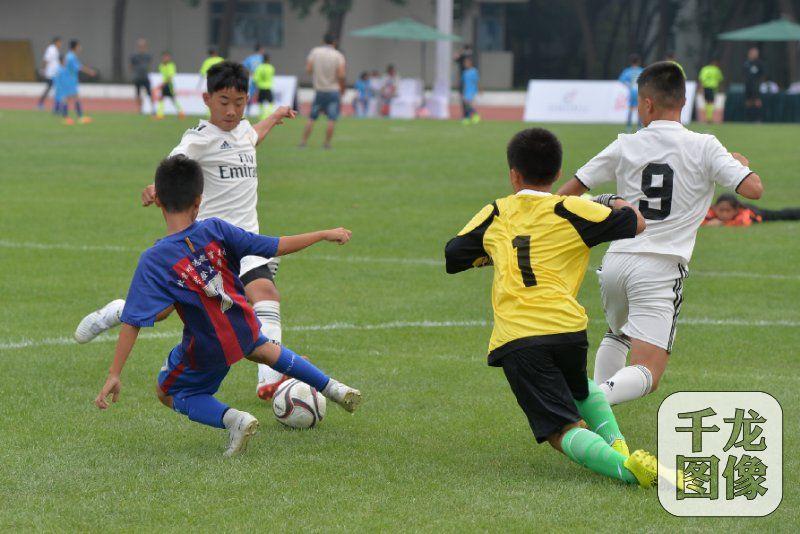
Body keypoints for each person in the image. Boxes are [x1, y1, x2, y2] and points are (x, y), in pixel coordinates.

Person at [443, 128, 672, 489]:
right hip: (568, 330)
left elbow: (454, 256)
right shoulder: (572, 209)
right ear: (557, 172)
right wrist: (611, 200)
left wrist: (496, 254)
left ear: (514, 174)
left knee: (560, 430)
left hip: (519, 337)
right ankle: (619, 446)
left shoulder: (496, 212)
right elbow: (637, 222)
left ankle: (628, 471)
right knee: (580, 390)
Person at [93, 154, 362, 457]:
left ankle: (235, 420)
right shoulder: (216, 229)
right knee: (262, 348)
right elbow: (274, 245)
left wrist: (114, 373)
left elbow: (133, 320)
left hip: (208, 344)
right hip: (242, 322)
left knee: (168, 391)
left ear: (159, 201)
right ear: (198, 201)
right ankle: (332, 387)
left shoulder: (154, 259)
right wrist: (323, 234)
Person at [76, 62, 299, 402]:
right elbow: (175, 163)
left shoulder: (243, 131)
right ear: (207, 100)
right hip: (208, 247)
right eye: (224, 102)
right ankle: (119, 311)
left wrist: (275, 116)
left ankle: (268, 379)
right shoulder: (199, 138)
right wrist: (155, 187)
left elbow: (253, 137)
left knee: (266, 294)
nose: (231, 110)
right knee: (163, 311)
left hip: (245, 243)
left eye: (239, 102)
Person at [557, 61, 764, 406]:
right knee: (648, 373)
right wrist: (736, 165)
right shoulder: (705, 145)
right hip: (660, 266)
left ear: (648, 103)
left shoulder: (625, 144)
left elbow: (566, 194)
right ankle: (588, 401)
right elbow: (754, 189)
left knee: (618, 332)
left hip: (616, 263)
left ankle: (596, 420)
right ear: (683, 101)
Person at [299, 33, 346, 149]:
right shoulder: (338, 55)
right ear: (334, 42)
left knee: (312, 118)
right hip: (333, 91)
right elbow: (341, 75)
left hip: (319, 91)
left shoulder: (315, 52)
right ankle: (326, 144)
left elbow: (308, 69)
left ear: (323, 41)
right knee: (331, 119)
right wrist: (342, 89)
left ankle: (303, 142)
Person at [703, 193, 800, 226]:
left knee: (778, 215)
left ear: (736, 210)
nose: (724, 214)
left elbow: (744, 222)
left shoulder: (744, 212)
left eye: (728, 211)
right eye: (721, 210)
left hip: (757, 213)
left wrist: (722, 223)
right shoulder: (708, 211)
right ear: (715, 207)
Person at [61, 40, 97, 125]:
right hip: (69, 80)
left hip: (69, 79)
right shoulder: (71, 57)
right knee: (71, 97)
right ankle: (76, 117)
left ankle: (69, 117)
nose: (80, 48)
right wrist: (90, 71)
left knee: (69, 97)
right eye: (79, 46)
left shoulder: (70, 56)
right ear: (75, 47)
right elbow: (79, 67)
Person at [130, 38, 155, 116]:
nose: (141, 47)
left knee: (150, 94)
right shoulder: (134, 56)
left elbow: (149, 65)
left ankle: (153, 109)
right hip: (137, 78)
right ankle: (140, 110)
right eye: (140, 46)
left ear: (145, 46)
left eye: (143, 46)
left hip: (145, 77)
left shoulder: (148, 56)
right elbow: (131, 66)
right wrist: (135, 72)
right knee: (138, 94)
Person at [155, 51, 184, 119]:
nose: (165, 58)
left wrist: (163, 84)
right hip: (164, 84)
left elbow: (170, 77)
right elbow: (164, 76)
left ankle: (181, 113)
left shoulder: (171, 65)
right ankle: (160, 115)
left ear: (169, 58)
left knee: (173, 99)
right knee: (161, 98)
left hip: (169, 85)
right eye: (164, 57)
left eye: (167, 57)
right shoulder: (161, 66)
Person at [618, 54, 643, 132]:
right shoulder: (641, 70)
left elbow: (621, 80)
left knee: (631, 109)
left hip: (632, 92)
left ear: (630, 62)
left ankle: (628, 127)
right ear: (638, 62)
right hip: (639, 92)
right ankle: (639, 127)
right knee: (639, 110)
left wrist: (628, 86)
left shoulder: (627, 71)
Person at [37, 36, 61, 110]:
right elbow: (46, 60)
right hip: (51, 73)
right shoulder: (51, 49)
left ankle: (44, 103)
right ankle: (42, 103)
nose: (60, 44)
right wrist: (43, 70)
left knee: (53, 88)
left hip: (55, 73)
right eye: (59, 42)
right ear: (56, 42)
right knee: (52, 88)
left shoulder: (55, 50)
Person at [243, 44, 267, 115]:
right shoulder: (262, 58)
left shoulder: (250, 58)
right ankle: (261, 111)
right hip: (260, 79)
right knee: (261, 94)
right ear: (261, 50)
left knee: (250, 94)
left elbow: (243, 66)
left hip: (252, 77)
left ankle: (247, 111)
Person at [698, 58, 723, 123]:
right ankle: (709, 118)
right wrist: (720, 89)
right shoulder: (716, 70)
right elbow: (720, 79)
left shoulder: (704, 69)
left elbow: (701, 79)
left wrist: (700, 88)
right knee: (711, 102)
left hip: (705, 87)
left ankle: (707, 118)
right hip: (713, 88)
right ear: (715, 63)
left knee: (707, 102)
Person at [743, 47, 765, 122]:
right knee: (748, 102)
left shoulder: (759, 63)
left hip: (756, 85)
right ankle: (748, 118)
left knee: (757, 101)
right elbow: (744, 73)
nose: (754, 54)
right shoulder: (746, 63)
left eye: (755, 53)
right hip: (748, 85)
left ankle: (758, 118)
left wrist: (759, 82)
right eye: (752, 53)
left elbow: (762, 74)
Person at [252, 54, 275, 120]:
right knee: (270, 102)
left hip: (261, 87)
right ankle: (269, 114)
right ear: (268, 60)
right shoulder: (271, 67)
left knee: (260, 102)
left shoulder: (259, 68)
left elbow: (255, 79)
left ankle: (262, 116)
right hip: (268, 87)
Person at [461, 57, 480, 125]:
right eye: (464, 63)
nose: (465, 64)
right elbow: (463, 83)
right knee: (466, 106)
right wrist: (463, 92)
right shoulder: (465, 72)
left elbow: (477, 81)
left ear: (470, 63)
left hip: (472, 91)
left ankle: (476, 115)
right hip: (466, 91)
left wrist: (479, 89)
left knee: (470, 105)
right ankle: (468, 118)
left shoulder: (474, 71)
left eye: (466, 63)